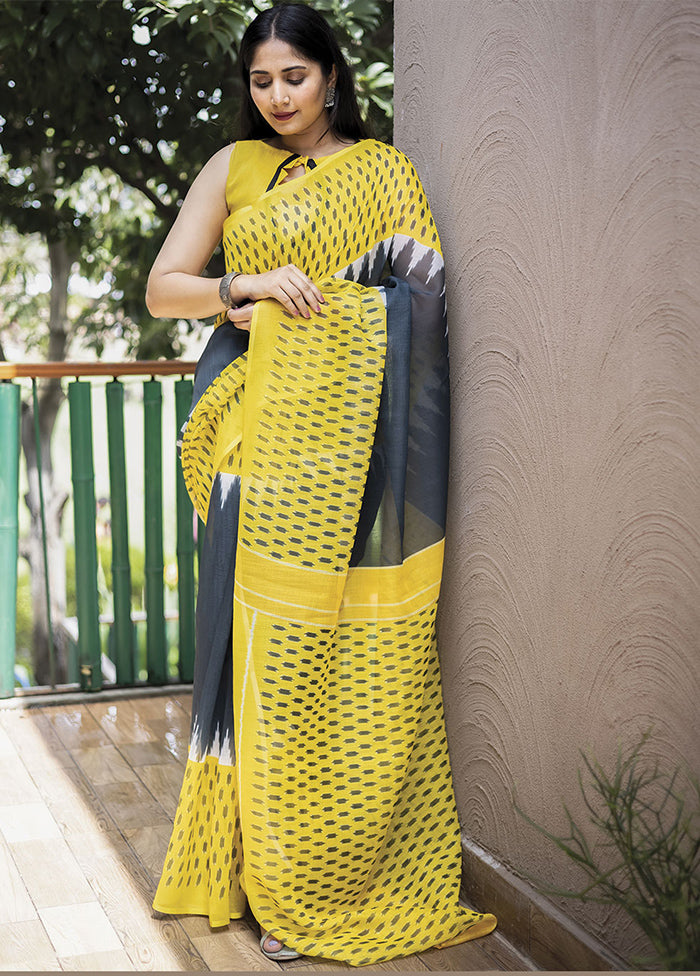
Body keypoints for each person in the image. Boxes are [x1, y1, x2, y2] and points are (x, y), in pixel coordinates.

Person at [146, 2, 496, 966]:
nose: (277, 97)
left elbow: (421, 303)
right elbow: (164, 287)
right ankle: (262, 878)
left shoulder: (384, 175)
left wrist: (335, 305)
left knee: (336, 660)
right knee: (259, 666)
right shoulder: (236, 168)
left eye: (293, 78)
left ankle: (334, 869)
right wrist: (245, 288)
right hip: (255, 452)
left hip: (354, 458)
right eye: (261, 82)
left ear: (333, 77)